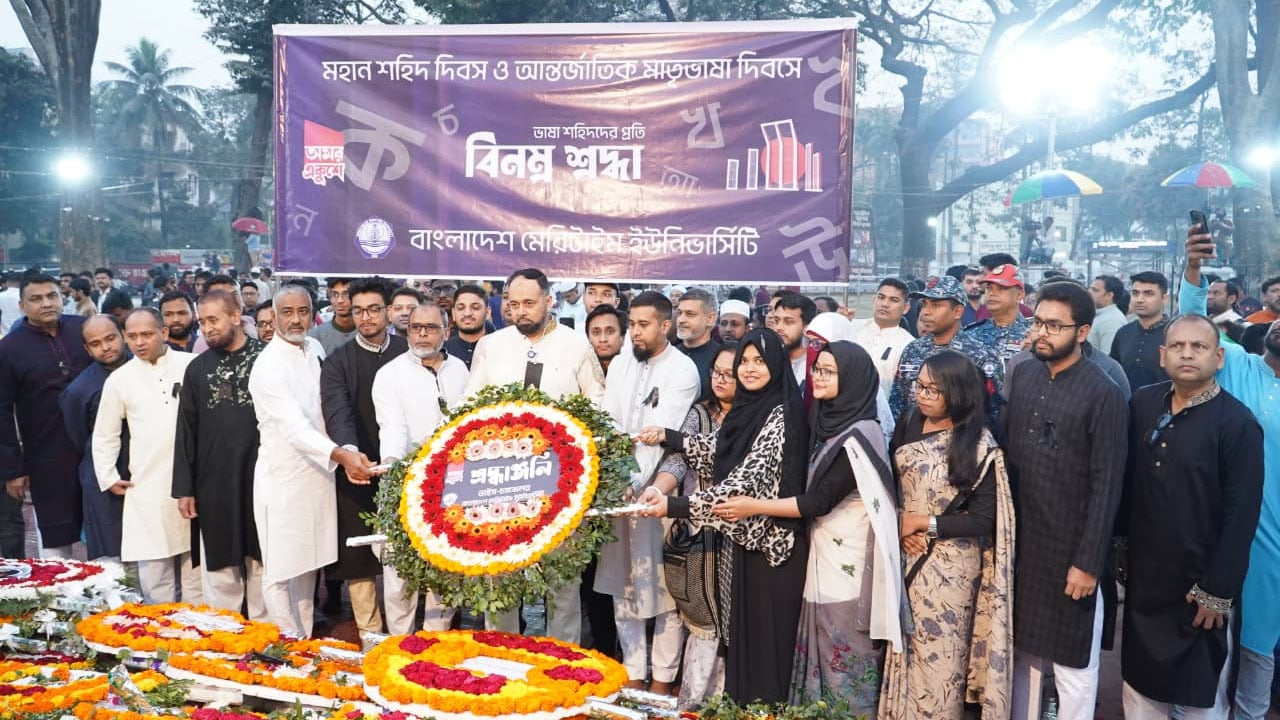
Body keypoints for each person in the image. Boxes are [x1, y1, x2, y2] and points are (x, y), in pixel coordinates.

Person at [717, 342, 904, 712]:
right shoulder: (829, 424)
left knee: (844, 646)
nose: (819, 377)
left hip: (847, 562)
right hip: (823, 553)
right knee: (819, 646)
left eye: (830, 372)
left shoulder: (860, 435)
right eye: (818, 369)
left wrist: (751, 506)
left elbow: (817, 502)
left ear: (850, 379)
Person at [636, 328, 809, 705]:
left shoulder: (780, 414)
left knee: (763, 648)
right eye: (743, 361)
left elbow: (744, 482)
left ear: (776, 365)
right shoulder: (749, 409)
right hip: (741, 544)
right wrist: (668, 438)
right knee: (740, 644)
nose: (748, 369)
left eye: (759, 361)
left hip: (770, 549)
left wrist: (675, 507)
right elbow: (714, 450)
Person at [1119, 314, 1263, 720]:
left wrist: (1217, 589)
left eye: (1198, 347)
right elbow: (1128, 483)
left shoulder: (1237, 423)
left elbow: (1242, 515)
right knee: (1140, 692)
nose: (1187, 354)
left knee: (1203, 698)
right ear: (1163, 355)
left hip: (1200, 589)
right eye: (1178, 346)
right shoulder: (1143, 403)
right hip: (1147, 582)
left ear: (1218, 358)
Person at [1004, 281, 1128, 720]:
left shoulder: (1104, 391)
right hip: (1021, 544)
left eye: (1055, 325)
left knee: (1073, 664)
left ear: (1082, 332)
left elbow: (1107, 484)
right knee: (1019, 655)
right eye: (1038, 322)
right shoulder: (1022, 373)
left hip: (1070, 550)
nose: (1042, 332)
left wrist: (1089, 562)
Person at [465, 268, 605, 643]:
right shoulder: (491, 346)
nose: (521, 311)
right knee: (501, 578)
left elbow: (599, 407)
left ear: (549, 301)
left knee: (562, 580)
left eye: (529, 303)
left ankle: (563, 661)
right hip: (501, 485)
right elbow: (469, 410)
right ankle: (502, 655)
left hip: (561, 482)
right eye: (513, 304)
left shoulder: (576, 345)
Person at [880, 351, 1015, 719]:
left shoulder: (978, 443)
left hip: (951, 570)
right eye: (918, 386)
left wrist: (926, 523)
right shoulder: (909, 422)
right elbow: (892, 485)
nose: (921, 395)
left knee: (940, 661)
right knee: (903, 651)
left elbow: (984, 519)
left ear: (957, 393)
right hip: (904, 553)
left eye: (932, 390)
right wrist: (901, 521)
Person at [1179, 230, 1280, 720]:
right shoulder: (1238, 365)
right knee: (1205, 634)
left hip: (1273, 543)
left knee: (1259, 647)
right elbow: (1192, 329)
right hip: (1215, 526)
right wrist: (1195, 273)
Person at [249, 285, 377, 638]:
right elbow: (295, 428)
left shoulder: (315, 348)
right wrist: (341, 455)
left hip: (319, 475)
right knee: (279, 570)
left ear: (312, 313)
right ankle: (287, 645)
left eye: (302, 311)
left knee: (307, 566)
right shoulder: (268, 366)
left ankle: (303, 639)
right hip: (284, 479)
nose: (295, 319)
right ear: (273, 318)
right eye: (286, 312)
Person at [595, 291, 700, 695]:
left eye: (643, 325)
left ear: (665, 326)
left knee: (662, 591)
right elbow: (608, 420)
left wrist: (635, 485)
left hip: (661, 494)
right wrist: (611, 481)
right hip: (618, 492)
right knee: (624, 584)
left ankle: (662, 680)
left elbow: (664, 434)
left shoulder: (682, 369)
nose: (635, 333)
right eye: (632, 325)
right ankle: (634, 674)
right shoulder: (621, 362)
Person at [372, 301, 468, 635]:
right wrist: (393, 466)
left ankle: (437, 643)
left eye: (430, 328)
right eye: (415, 327)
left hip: (454, 487)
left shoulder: (461, 371)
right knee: (399, 573)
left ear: (447, 331)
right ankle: (400, 644)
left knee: (445, 569)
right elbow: (392, 428)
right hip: (404, 483)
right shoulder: (390, 375)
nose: (422, 334)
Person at [93, 308, 202, 603]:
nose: (140, 342)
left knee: (198, 572)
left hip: (194, 482)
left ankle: (200, 641)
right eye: (132, 336)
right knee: (154, 577)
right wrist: (108, 476)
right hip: (146, 486)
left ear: (164, 333)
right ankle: (161, 642)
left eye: (147, 334)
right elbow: (105, 433)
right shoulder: (119, 379)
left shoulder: (192, 365)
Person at [320, 277, 407, 640]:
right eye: (358, 311)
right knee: (358, 554)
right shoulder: (338, 361)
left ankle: (404, 631)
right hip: (357, 468)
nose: (366, 318)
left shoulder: (407, 351)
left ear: (388, 311)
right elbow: (337, 412)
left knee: (403, 550)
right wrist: (352, 456)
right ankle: (370, 634)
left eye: (373, 309)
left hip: (403, 468)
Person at [652, 342, 737, 708]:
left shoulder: (756, 418)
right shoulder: (700, 412)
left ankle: (716, 704)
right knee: (682, 612)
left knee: (726, 621)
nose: (720, 380)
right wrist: (658, 489)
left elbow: (717, 453)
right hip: (691, 531)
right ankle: (687, 700)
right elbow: (679, 458)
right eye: (716, 372)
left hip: (735, 533)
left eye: (729, 375)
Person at [172, 290, 266, 619]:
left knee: (262, 565)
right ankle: (223, 646)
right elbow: (186, 431)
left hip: (262, 481)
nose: (207, 328)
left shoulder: (268, 360)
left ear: (237, 316)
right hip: (214, 486)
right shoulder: (197, 369)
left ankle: (268, 646)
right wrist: (184, 489)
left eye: (214, 320)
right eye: (202, 322)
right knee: (221, 571)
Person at [0, 274, 93, 557]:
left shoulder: (83, 330)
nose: (47, 303)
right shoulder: (9, 349)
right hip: (46, 456)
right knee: (55, 538)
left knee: (106, 530)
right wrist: (13, 470)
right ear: (22, 305)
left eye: (52, 296)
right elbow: (2, 412)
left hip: (96, 450)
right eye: (36, 299)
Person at [889, 276, 1005, 425]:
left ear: (957, 311)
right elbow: (897, 402)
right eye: (924, 304)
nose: (925, 312)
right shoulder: (913, 349)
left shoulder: (980, 356)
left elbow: (993, 412)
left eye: (936, 305)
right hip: (913, 440)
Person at [58, 316, 128, 560]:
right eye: (96, 343)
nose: (106, 347)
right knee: (113, 559)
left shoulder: (145, 370)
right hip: (104, 477)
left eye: (110, 338)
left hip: (146, 472)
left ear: (123, 335)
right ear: (87, 349)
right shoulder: (79, 390)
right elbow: (79, 438)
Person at [850, 278, 915, 398]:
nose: (885, 304)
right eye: (881, 297)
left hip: (882, 412)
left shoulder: (909, 345)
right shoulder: (852, 328)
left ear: (906, 308)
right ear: (874, 300)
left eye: (894, 300)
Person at [1111, 271, 1171, 392]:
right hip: (1125, 407)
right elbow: (1113, 373)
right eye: (1135, 293)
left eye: (1148, 294)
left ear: (1164, 298)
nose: (1140, 299)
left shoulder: (1175, 334)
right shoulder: (1124, 333)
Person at [965, 264, 1032, 365]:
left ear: (1019, 295)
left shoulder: (1033, 334)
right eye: (989, 288)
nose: (992, 293)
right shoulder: (972, 334)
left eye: (1001, 288)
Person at [674, 288, 720, 400]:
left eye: (690, 314)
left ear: (710, 319)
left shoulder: (721, 358)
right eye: (679, 313)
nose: (681, 320)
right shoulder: (668, 354)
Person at [772, 293, 817, 386]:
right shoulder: (765, 361)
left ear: (807, 327)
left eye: (788, 322)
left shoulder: (816, 366)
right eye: (776, 321)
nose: (779, 327)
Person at [443, 284, 488, 369]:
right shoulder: (442, 351)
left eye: (475, 307)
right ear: (453, 313)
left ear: (487, 312)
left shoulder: (500, 347)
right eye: (460, 308)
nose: (467, 313)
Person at [308, 277, 356, 355]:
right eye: (335, 294)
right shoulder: (315, 337)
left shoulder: (369, 334)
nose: (340, 300)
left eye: (346, 294)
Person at [586, 304, 625, 375]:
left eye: (610, 332)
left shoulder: (635, 371)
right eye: (596, 332)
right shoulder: (580, 372)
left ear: (622, 336)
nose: (603, 339)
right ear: (588, 338)